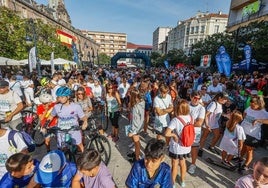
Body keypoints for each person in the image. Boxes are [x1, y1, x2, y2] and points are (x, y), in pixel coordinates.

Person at [49, 86, 88, 152]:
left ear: (68, 97)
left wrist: (85, 122)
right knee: (63, 149)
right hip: (61, 131)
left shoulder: (76, 107)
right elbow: (51, 116)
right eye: (59, 97)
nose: (60, 99)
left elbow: (83, 117)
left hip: (74, 130)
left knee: (79, 145)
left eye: (62, 97)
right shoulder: (56, 107)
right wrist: (45, 126)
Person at [165, 99, 192, 187]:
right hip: (186, 145)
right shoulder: (191, 118)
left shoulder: (176, 120)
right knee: (183, 163)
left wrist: (174, 135)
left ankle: (172, 183)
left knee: (174, 164)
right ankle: (183, 181)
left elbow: (166, 133)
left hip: (177, 147)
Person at [240, 96, 268, 170]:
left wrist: (259, 120)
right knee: (243, 146)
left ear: (259, 104)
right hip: (244, 131)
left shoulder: (263, 112)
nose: (251, 106)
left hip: (253, 134)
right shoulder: (249, 108)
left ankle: (246, 165)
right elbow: (245, 113)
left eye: (253, 105)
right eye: (251, 104)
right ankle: (240, 158)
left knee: (249, 150)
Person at [198, 92, 229, 156]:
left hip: (214, 124)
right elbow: (206, 115)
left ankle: (211, 147)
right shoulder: (213, 104)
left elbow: (219, 112)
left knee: (218, 135)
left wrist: (226, 115)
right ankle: (200, 149)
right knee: (204, 137)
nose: (226, 101)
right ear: (220, 98)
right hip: (208, 123)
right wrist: (206, 125)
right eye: (225, 99)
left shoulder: (220, 104)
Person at [188, 91, 205, 175]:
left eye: (199, 98)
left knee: (194, 148)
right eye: (195, 98)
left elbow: (199, 123)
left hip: (195, 132)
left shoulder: (201, 108)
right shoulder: (186, 105)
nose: (197, 100)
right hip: (185, 131)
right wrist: (193, 122)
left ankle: (193, 164)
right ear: (191, 97)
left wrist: (187, 123)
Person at [126, 88, 145, 162]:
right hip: (134, 126)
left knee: (137, 143)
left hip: (136, 128)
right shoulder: (136, 103)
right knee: (135, 142)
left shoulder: (138, 106)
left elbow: (140, 120)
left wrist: (134, 131)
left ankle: (137, 159)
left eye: (130, 94)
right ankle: (135, 154)